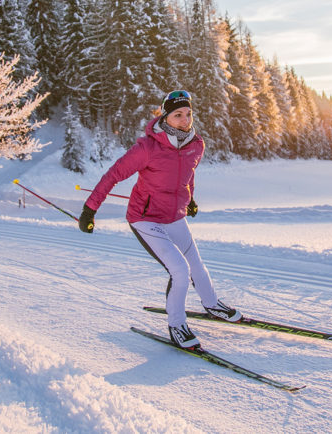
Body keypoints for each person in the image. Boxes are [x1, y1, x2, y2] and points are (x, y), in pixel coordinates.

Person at [78, 90, 241, 349]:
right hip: (145, 218)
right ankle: (176, 325)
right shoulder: (147, 148)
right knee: (179, 270)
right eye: (178, 115)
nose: (185, 119)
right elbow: (113, 175)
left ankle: (212, 304)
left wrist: (190, 200)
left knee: (196, 265)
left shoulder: (196, 144)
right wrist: (90, 210)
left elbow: (187, 175)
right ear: (165, 116)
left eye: (188, 114)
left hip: (174, 215)